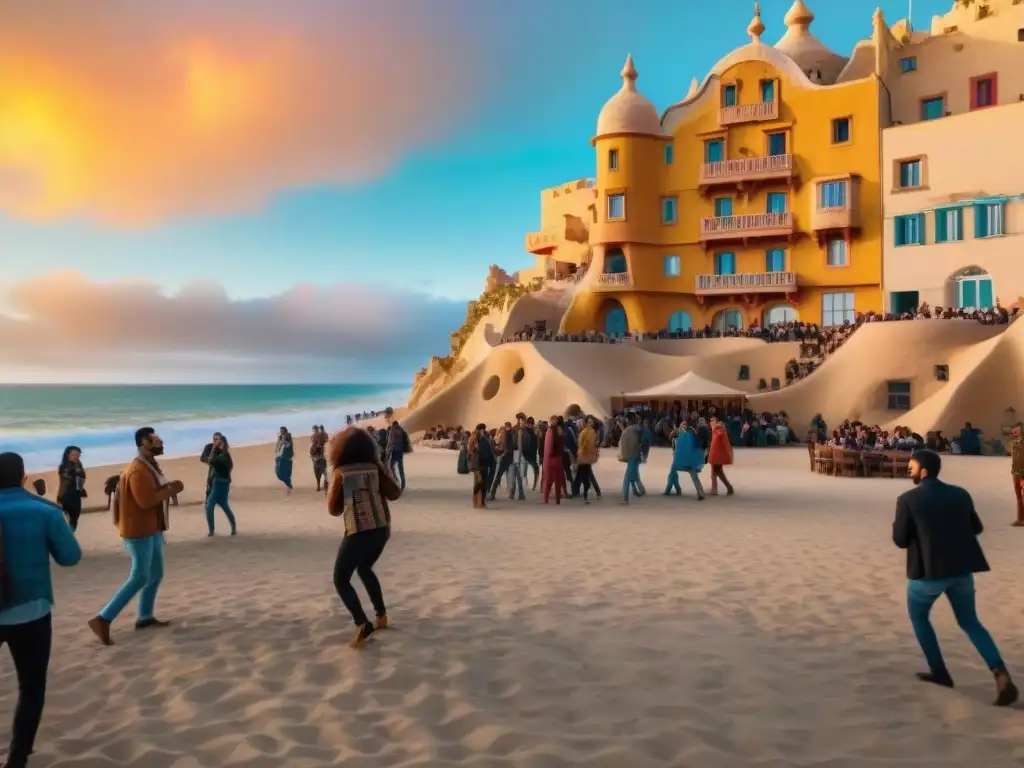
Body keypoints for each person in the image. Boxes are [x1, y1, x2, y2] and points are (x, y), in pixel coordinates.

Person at [893, 449, 1018, 706]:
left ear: (923, 471)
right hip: (961, 571)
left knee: (919, 617)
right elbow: (977, 528)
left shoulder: (907, 499)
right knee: (970, 621)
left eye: (912, 465)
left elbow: (900, 540)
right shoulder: (960, 494)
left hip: (928, 574)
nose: (909, 469)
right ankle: (1001, 673)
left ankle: (940, 672)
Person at [0, 452, 82, 768]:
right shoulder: (42, 511)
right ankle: (17, 759)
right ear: (23, 477)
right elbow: (71, 557)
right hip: (30, 613)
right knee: (31, 687)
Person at [87, 427, 183, 646]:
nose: (160, 443)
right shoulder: (138, 470)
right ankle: (103, 619)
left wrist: (168, 488)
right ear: (144, 442)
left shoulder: (149, 466)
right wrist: (172, 490)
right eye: (156, 440)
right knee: (140, 576)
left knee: (155, 574)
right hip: (139, 531)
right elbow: (145, 501)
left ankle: (144, 617)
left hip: (153, 529)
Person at [327, 427, 401, 648]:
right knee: (364, 567)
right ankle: (381, 616)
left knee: (341, 579)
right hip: (381, 528)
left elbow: (334, 510)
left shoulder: (341, 472)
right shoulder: (375, 468)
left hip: (359, 530)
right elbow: (395, 493)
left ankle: (362, 623)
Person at [205, 433, 236, 536]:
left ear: (223, 443)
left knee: (209, 506)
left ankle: (211, 531)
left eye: (218, 441)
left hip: (219, 485)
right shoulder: (225, 455)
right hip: (222, 484)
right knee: (224, 506)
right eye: (214, 441)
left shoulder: (223, 456)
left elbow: (210, 461)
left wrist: (213, 448)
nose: (216, 443)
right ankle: (233, 529)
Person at [666, 423, 706, 499]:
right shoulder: (691, 435)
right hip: (690, 460)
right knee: (693, 476)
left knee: (672, 473)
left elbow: (671, 437)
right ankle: (700, 493)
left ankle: (670, 490)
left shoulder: (680, 434)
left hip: (679, 459)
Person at [56, 445, 86, 533]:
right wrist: (59, 497)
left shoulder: (79, 466)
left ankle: (69, 534)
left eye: (78, 455)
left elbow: (82, 479)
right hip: (66, 496)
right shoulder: (63, 467)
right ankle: (68, 535)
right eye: (74, 455)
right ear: (68, 455)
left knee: (75, 518)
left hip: (76, 496)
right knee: (66, 518)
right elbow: (63, 483)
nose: (76, 457)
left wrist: (81, 489)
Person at [571, 416, 599, 502]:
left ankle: (581, 493)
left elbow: (582, 445)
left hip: (584, 457)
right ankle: (590, 492)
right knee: (584, 475)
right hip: (587, 457)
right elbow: (593, 444)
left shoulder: (584, 432)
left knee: (583, 475)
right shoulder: (592, 432)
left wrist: (579, 455)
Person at [618, 416, 646, 504]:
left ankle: (625, 499)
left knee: (627, 478)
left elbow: (626, 435)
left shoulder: (629, 431)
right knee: (635, 475)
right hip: (636, 456)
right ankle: (641, 491)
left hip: (631, 456)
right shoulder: (637, 430)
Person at [542, 416, 567, 504]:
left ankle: (545, 499)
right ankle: (557, 500)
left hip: (550, 459)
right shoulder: (560, 431)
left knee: (548, 481)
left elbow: (549, 448)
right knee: (558, 481)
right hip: (559, 459)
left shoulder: (550, 431)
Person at [708, 416, 735, 496]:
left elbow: (721, 444)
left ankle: (726, 488)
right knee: (716, 471)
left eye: (712, 421)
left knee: (717, 472)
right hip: (716, 455)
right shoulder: (717, 429)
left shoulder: (718, 430)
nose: (711, 423)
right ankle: (715, 489)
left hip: (717, 455)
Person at [384, 419, 410, 491]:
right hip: (400, 451)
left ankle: (396, 481)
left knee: (391, 466)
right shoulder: (401, 430)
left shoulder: (393, 430)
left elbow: (390, 441)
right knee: (401, 468)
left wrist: (387, 450)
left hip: (395, 451)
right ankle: (403, 484)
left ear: (393, 425)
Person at [467, 425, 489, 509]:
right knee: (479, 483)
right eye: (483, 430)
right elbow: (476, 448)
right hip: (477, 463)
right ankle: (478, 504)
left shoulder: (475, 436)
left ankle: (477, 503)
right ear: (480, 430)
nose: (484, 431)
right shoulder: (475, 437)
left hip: (477, 463)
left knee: (478, 483)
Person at [519, 417, 540, 492]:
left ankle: (533, 487)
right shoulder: (527, 431)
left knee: (534, 470)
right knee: (523, 473)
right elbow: (528, 441)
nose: (530, 425)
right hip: (527, 455)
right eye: (530, 424)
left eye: (532, 424)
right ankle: (525, 488)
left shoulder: (528, 431)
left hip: (529, 455)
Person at [199, 432, 222, 501]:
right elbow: (202, 458)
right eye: (214, 439)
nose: (215, 441)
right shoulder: (208, 447)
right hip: (213, 467)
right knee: (210, 486)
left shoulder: (223, 449)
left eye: (217, 439)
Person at [1010, 423, 1024, 527]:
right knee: (1019, 496)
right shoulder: (1014, 443)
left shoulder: (1019, 443)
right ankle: (1020, 518)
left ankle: (1021, 519)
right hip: (1016, 472)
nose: (1014, 432)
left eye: (1016, 431)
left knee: (1020, 496)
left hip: (1021, 473)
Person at [274, 428, 294, 495]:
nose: (281, 432)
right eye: (280, 431)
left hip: (285, 459)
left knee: (283, 474)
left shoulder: (288, 438)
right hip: (280, 458)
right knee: (278, 473)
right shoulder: (281, 438)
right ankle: (289, 485)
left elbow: (288, 445)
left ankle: (289, 486)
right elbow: (278, 448)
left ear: (285, 432)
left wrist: (283, 440)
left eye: (282, 431)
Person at [310, 426, 329, 493]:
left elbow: (325, 440)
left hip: (318, 457)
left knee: (320, 471)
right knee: (322, 471)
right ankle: (322, 484)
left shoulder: (317, 436)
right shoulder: (316, 437)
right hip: (318, 457)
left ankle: (320, 484)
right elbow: (326, 440)